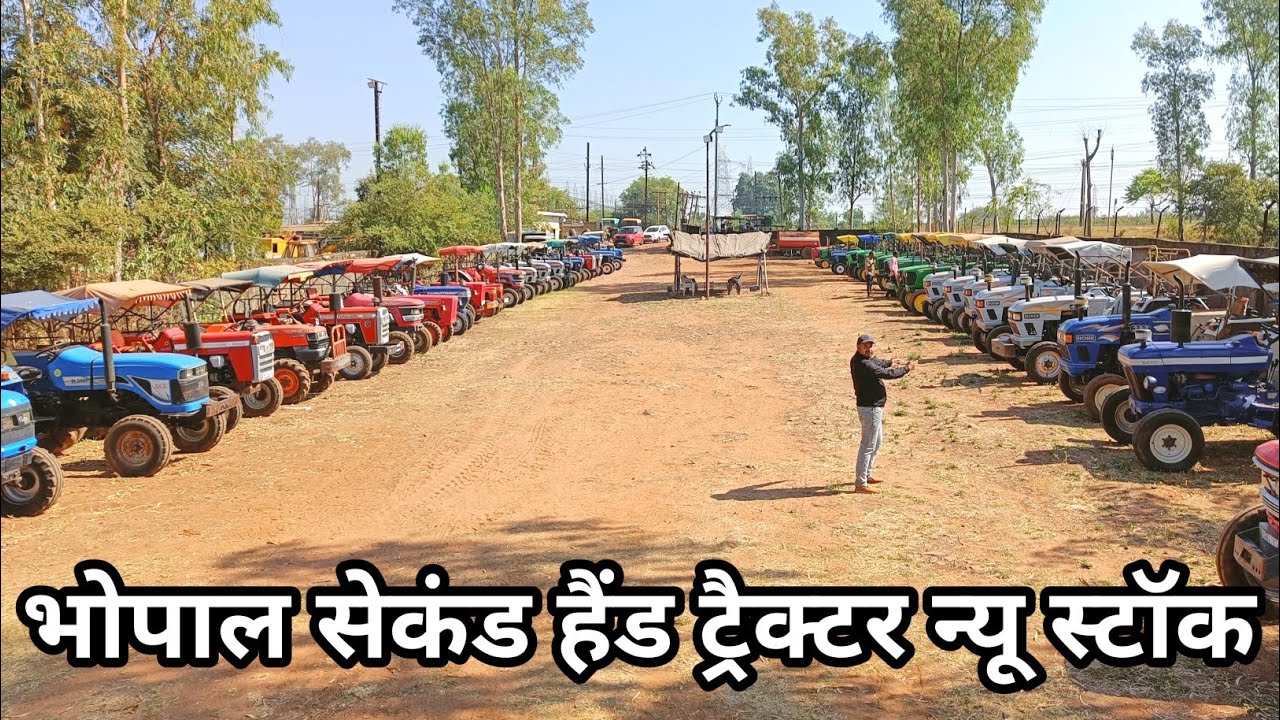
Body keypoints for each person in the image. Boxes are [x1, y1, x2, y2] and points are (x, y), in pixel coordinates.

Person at [849, 334, 915, 493]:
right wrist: (906, 368)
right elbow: (886, 374)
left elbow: (877, 363)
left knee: (876, 442)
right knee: (868, 445)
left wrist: (890, 362)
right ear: (858, 347)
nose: (868, 348)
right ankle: (860, 483)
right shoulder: (863, 363)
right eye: (865, 346)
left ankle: (867, 475)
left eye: (870, 345)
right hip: (870, 408)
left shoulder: (863, 360)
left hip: (873, 408)